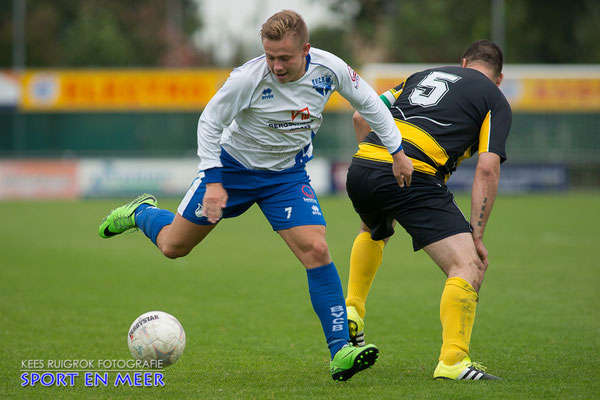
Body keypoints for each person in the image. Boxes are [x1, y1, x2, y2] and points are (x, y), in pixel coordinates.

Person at [98, 10, 413, 382]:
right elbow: (210, 122)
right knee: (174, 246)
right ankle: (141, 212)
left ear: (306, 50)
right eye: (270, 56)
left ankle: (340, 349)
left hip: (286, 176)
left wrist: (397, 152)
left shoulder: (331, 70)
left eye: (285, 58)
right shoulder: (247, 78)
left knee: (317, 250)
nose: (276, 66)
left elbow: (371, 105)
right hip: (232, 170)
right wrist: (214, 182)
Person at [344, 40, 512, 380]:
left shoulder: (422, 75)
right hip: (414, 174)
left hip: (363, 167)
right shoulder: (494, 98)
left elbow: (361, 115)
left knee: (373, 230)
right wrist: (476, 234)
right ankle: (453, 362)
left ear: (463, 62)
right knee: (469, 264)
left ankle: (352, 309)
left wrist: (376, 160)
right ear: (499, 78)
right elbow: (487, 169)